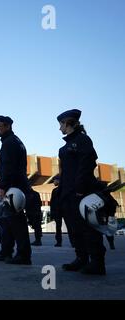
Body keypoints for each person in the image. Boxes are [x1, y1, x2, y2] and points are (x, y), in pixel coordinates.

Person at [57, 109, 107, 275]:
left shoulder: (83, 140)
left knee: (88, 228)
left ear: (68, 123)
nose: (59, 128)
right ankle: (81, 258)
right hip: (68, 194)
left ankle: (97, 263)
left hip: (82, 192)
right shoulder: (64, 148)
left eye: (61, 124)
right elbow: (65, 172)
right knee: (74, 228)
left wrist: (79, 188)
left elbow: (87, 164)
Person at [0, 116, 32, 265]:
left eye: (0, 126)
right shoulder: (13, 141)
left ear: (8, 126)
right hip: (14, 186)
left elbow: (9, 167)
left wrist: (2, 186)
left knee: (16, 222)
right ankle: (6, 251)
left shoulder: (9, 143)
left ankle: (23, 255)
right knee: (7, 221)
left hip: (13, 188)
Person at [50, 175, 63, 247]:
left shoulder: (55, 190)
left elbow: (52, 203)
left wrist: (52, 212)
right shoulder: (56, 190)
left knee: (58, 227)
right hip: (61, 210)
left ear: (58, 180)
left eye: (54, 180)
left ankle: (59, 242)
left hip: (58, 211)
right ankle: (74, 242)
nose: (53, 182)